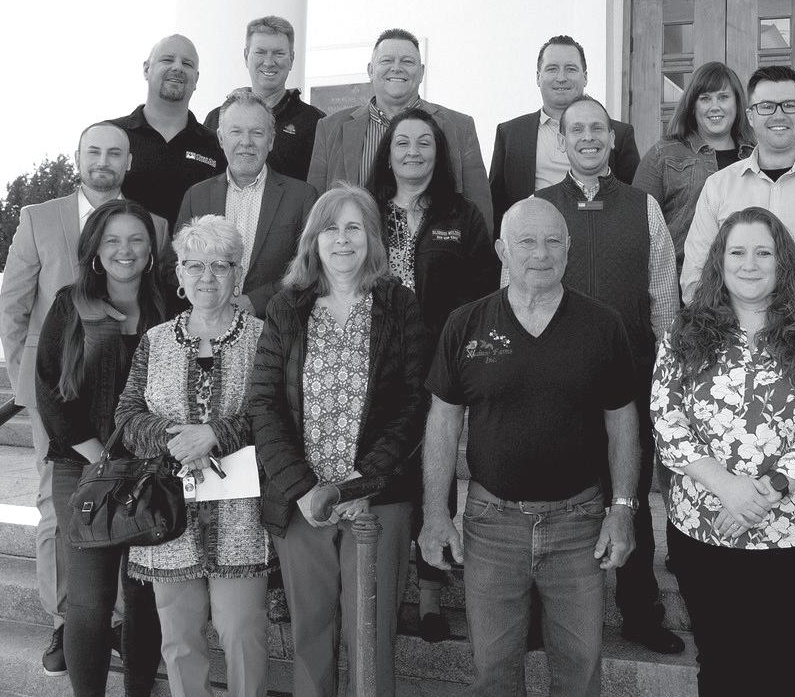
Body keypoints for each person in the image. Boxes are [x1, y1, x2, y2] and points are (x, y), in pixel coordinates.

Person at [419, 197, 640, 697]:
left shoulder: (602, 325)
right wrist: (435, 513)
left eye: (553, 241)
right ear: (502, 250)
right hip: (491, 525)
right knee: (494, 674)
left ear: (569, 248)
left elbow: (622, 421)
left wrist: (623, 509)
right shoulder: (466, 324)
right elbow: (443, 423)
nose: (541, 253)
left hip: (580, 525)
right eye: (527, 241)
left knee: (580, 673)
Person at [652, 206, 795, 697]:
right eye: (737, 252)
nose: (750, 264)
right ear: (719, 261)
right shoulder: (684, 332)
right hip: (706, 526)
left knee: (780, 669)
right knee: (719, 665)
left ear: (783, 262)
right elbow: (667, 418)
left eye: (764, 253)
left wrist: (762, 494)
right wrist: (728, 488)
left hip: (793, 532)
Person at [0, 122, 168, 676]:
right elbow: (14, 307)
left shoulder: (155, 235)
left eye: (115, 152)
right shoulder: (39, 219)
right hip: (67, 413)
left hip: (142, 445)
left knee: (132, 558)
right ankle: (64, 621)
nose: (104, 160)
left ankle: (115, 627)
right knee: (59, 518)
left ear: (128, 161)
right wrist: (27, 387)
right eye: (93, 150)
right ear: (78, 157)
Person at [249, 185, 431, 697]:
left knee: (370, 635)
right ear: (314, 239)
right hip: (303, 502)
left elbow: (413, 403)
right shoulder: (287, 307)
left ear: (372, 237)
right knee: (311, 637)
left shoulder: (399, 304)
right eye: (331, 228)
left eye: (355, 227)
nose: (343, 239)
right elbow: (263, 404)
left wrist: (363, 482)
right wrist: (302, 487)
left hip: (376, 501)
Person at [533, 94, 683, 655]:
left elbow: (664, 296)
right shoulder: (539, 207)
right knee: (553, 496)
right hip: (556, 383)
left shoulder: (644, 207)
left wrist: (667, 372)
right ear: (562, 140)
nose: (589, 138)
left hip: (631, 379)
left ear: (613, 137)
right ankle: (543, 615)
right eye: (577, 130)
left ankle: (641, 611)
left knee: (631, 496)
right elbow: (516, 291)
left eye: (597, 128)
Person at [116, 216, 273, 697]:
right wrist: (177, 440)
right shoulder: (156, 340)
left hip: (242, 515)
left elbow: (275, 414)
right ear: (179, 275)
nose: (208, 276)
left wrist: (215, 435)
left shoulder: (264, 337)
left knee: (242, 632)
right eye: (195, 265)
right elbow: (127, 415)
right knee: (180, 641)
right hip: (168, 512)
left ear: (237, 273)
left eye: (220, 265)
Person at [366, 106, 499, 641]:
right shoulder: (365, 209)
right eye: (403, 142)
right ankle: (376, 584)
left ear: (439, 153)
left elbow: (482, 290)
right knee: (380, 469)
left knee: (435, 476)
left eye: (425, 143)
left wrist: (459, 352)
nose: (413, 152)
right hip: (372, 362)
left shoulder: (460, 215)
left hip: (439, 365)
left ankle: (429, 595)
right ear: (388, 153)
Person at [34, 198, 166, 696]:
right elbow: (49, 391)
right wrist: (103, 460)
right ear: (95, 249)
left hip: (152, 474)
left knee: (145, 601)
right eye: (112, 240)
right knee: (89, 603)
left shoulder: (169, 306)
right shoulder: (71, 305)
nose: (124, 250)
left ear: (151, 250)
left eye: (135, 239)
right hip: (84, 469)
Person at [680, 65, 795, 330]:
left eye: (789, 105)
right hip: (730, 340)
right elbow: (696, 276)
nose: (779, 115)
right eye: (766, 106)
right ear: (750, 116)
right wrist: (734, 335)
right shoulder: (718, 187)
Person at [307, 28, 492, 223]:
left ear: (421, 72)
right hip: (355, 242)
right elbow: (315, 210)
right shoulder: (330, 128)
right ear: (370, 70)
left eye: (407, 61)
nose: (396, 68)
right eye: (387, 60)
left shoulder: (460, 127)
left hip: (435, 241)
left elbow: (480, 215)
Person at [170, 89, 319, 318]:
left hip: (276, 326)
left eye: (257, 133)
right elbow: (175, 262)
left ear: (271, 140)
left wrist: (256, 302)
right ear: (221, 138)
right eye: (236, 132)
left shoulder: (302, 197)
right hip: (208, 324)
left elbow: (311, 267)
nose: (246, 142)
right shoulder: (196, 196)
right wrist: (208, 295)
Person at [488, 35, 641, 237]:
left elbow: (633, 202)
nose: (561, 77)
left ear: (585, 77)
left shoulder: (619, 134)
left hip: (604, 239)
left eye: (570, 69)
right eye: (552, 69)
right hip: (535, 245)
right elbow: (496, 206)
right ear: (538, 77)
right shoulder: (510, 134)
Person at [633, 61, 753, 270]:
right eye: (705, 98)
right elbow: (637, 224)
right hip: (680, 277)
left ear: (737, 102)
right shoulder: (663, 155)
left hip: (746, 276)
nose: (715, 106)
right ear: (693, 106)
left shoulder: (755, 157)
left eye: (723, 97)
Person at [109, 35, 225, 232]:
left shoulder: (217, 146)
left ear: (196, 79)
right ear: (146, 69)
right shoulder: (112, 135)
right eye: (167, 60)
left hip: (193, 252)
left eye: (187, 64)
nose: (178, 67)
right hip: (125, 251)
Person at [204, 16, 326, 182]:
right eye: (260, 52)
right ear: (246, 56)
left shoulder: (315, 123)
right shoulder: (217, 119)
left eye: (279, 53)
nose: (268, 62)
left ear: (291, 59)